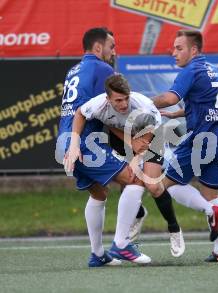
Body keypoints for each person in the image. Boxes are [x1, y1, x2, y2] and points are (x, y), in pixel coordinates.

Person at [56, 27, 150, 267]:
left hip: (66, 142)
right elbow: (108, 112)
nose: (113, 52)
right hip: (87, 144)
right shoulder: (103, 69)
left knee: (99, 192)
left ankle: (97, 255)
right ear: (98, 48)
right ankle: (121, 245)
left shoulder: (73, 70)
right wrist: (131, 139)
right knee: (137, 179)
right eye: (111, 46)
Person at [74, 73, 185, 257]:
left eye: (126, 98)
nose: (124, 104)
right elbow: (80, 113)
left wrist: (136, 157)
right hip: (123, 138)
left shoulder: (143, 106)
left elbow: (154, 128)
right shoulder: (98, 104)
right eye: (118, 100)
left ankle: (174, 229)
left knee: (152, 185)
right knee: (128, 180)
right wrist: (74, 143)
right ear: (108, 99)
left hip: (151, 135)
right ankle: (138, 213)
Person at [152, 30, 218, 262]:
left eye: (179, 48)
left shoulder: (191, 70)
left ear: (194, 50)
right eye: (173, 48)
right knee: (211, 194)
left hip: (201, 138)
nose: (173, 52)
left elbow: (169, 97)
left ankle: (211, 213)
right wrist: (177, 113)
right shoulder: (211, 69)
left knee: (167, 185)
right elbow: (204, 102)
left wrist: (144, 103)